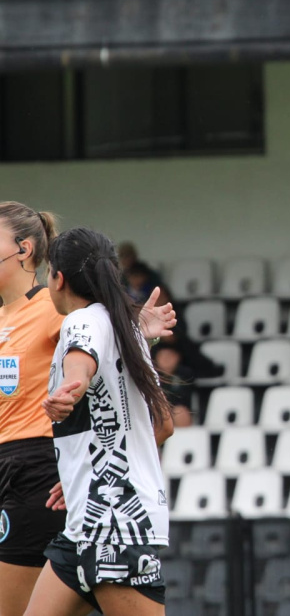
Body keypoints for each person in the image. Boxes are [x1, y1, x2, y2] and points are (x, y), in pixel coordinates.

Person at [0, 203, 174, 616]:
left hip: (114, 522)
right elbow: (162, 423)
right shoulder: (111, 322)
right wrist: (84, 471)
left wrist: (70, 391)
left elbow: (81, 359)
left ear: (56, 278)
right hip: (82, 520)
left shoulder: (75, 320)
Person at [152, 343, 195, 428]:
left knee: (181, 412)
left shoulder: (185, 374)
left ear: (177, 357)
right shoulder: (150, 375)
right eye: (163, 356)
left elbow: (184, 399)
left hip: (176, 410)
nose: (166, 359)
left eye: (169, 356)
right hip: (156, 409)